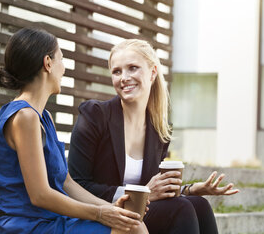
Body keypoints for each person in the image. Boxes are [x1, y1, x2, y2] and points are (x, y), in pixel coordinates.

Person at [0, 28, 148, 234]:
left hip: (51, 221)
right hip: (27, 227)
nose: (64, 69)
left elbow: (66, 183)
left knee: (131, 223)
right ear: (48, 63)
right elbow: (40, 195)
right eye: (61, 59)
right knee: (132, 229)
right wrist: (99, 214)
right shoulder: (24, 117)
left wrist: (110, 208)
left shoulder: (43, 117)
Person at [68, 39, 239, 234]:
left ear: (153, 72)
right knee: (180, 209)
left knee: (199, 204)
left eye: (132, 68)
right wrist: (142, 194)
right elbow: (76, 185)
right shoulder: (94, 115)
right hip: (100, 213)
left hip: (138, 214)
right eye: (117, 71)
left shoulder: (159, 130)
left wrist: (188, 190)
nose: (124, 77)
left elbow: (153, 190)